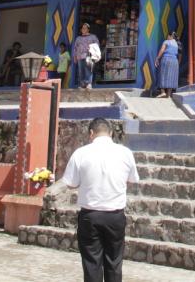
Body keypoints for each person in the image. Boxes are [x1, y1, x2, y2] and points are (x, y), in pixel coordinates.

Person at [62, 118, 140, 282]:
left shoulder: (81, 153)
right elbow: (132, 180)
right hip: (115, 215)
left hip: (90, 215)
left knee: (92, 263)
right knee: (114, 262)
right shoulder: (125, 152)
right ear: (111, 133)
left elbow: (70, 183)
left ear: (91, 133)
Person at [73, 23, 101, 89]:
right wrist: (74, 57)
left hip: (89, 56)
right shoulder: (78, 38)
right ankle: (82, 84)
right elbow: (75, 48)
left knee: (88, 70)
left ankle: (89, 84)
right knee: (80, 71)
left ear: (88, 29)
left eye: (85, 28)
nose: (83, 29)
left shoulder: (93, 37)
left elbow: (97, 45)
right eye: (82, 28)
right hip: (80, 57)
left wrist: (92, 50)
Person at [154, 31, 180, 99]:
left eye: (167, 36)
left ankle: (162, 92)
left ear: (170, 36)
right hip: (174, 61)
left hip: (166, 59)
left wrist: (157, 58)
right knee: (171, 77)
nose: (167, 37)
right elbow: (179, 54)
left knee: (162, 74)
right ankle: (168, 95)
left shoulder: (166, 42)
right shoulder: (177, 44)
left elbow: (162, 50)